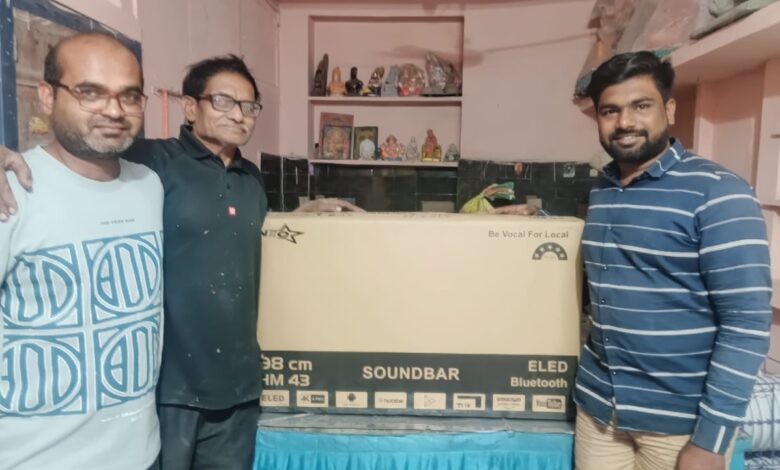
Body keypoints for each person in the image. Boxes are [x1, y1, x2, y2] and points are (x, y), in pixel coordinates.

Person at [0, 54, 361, 469]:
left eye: (249, 106)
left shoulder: (250, 177)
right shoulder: (151, 163)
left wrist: (301, 217)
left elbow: (240, 238)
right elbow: (80, 150)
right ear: (190, 106)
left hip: (239, 385)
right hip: (169, 391)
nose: (239, 115)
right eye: (223, 101)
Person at [574, 51, 771, 470]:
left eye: (640, 106)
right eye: (610, 111)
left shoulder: (719, 193)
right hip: (599, 412)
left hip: (680, 425)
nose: (625, 122)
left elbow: (746, 323)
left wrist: (711, 441)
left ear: (669, 109)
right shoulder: (603, 189)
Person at [0, 33, 163, 469]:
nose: (114, 110)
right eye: (90, 92)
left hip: (141, 456)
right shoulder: (11, 191)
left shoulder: (149, 185)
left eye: (129, 95)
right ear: (47, 96)